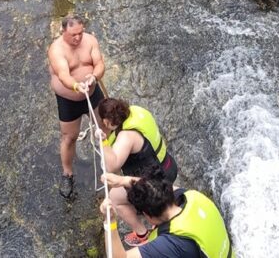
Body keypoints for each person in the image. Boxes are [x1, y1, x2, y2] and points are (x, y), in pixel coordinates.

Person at [96, 98, 179, 247]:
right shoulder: (135, 112)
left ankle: (142, 233)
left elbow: (111, 165)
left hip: (156, 181)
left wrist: (103, 142)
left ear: (107, 122)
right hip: (168, 166)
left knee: (114, 197)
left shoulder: (126, 137)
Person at [100, 167, 234, 258]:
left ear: (148, 216)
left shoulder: (172, 244)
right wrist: (123, 180)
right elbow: (153, 187)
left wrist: (110, 221)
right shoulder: (191, 196)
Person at [48, 15, 107, 199]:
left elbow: (99, 64)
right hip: (69, 99)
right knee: (69, 137)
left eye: (80, 33)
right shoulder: (56, 50)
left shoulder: (89, 41)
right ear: (63, 31)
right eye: (73, 34)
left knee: (105, 128)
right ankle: (67, 173)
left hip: (93, 92)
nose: (78, 38)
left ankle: (111, 163)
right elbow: (64, 75)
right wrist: (76, 85)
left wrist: (94, 77)